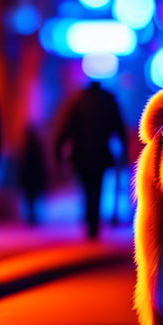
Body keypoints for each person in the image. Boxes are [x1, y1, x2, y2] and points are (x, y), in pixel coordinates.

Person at [55, 81, 127, 240]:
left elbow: (66, 129)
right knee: (97, 188)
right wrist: (124, 152)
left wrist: (59, 155)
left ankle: (89, 221)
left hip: (81, 155)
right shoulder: (108, 102)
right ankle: (93, 223)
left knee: (86, 189)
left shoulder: (78, 103)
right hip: (101, 154)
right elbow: (119, 128)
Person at [18, 124, 47, 225]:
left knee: (30, 198)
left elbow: (22, 164)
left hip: (29, 178)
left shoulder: (25, 148)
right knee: (33, 198)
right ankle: (32, 216)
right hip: (34, 178)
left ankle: (31, 216)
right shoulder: (35, 147)